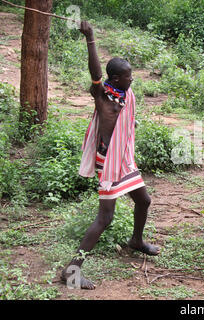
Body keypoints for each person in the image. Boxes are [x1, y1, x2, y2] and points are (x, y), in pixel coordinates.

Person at [61, 21, 160, 290]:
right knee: (105, 218)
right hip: (109, 162)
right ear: (115, 79)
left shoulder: (123, 94)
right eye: (128, 76)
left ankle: (136, 241)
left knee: (144, 200)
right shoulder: (103, 96)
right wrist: (90, 37)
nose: (132, 79)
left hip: (124, 159)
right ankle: (71, 271)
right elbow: (95, 72)